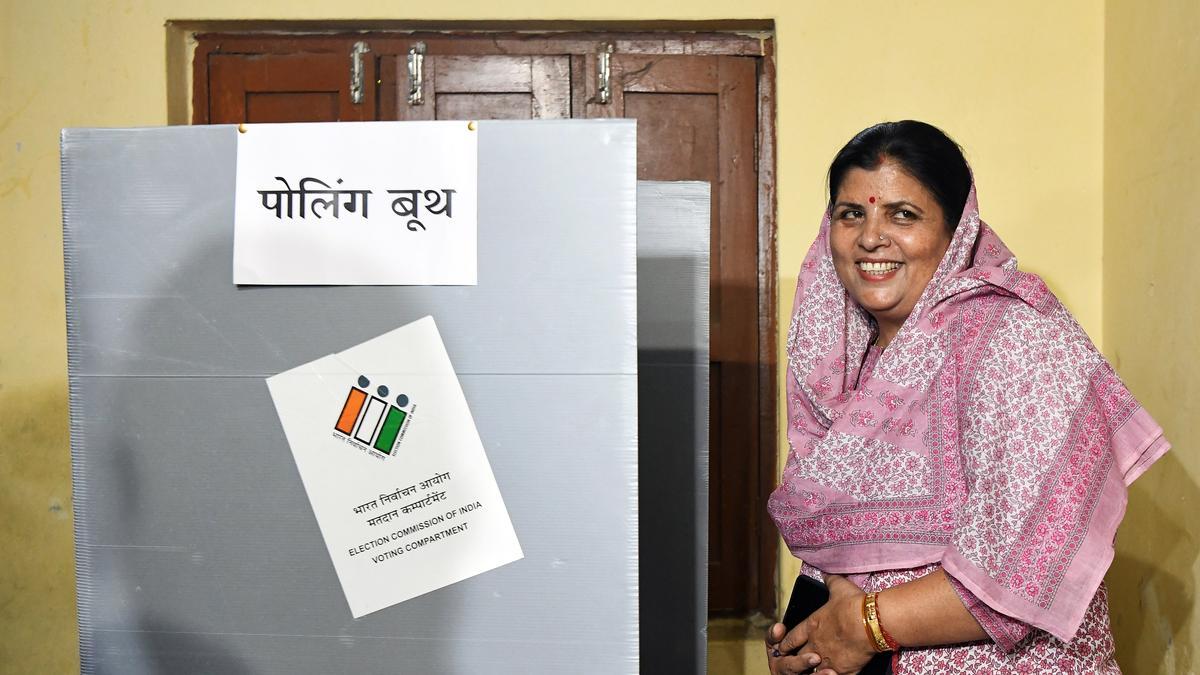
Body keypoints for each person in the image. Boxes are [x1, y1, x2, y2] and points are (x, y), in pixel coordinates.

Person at [764, 121, 1169, 674]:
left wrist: (861, 627)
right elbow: (830, 537)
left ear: (957, 232)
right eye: (851, 214)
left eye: (902, 215)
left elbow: (1031, 557)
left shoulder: (1016, 339)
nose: (870, 238)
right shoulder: (840, 363)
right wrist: (812, 642)